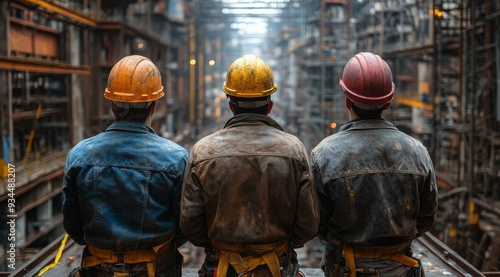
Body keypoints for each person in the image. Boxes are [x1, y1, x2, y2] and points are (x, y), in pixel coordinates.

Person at [180, 54, 320, 277]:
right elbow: (309, 224)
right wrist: (279, 245)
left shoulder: (203, 151)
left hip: (223, 268)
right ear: (270, 105)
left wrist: (218, 245)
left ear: (231, 106)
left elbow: (189, 223)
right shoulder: (294, 150)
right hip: (277, 268)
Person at [310, 52, 438, 277]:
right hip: (400, 268)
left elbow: (316, 222)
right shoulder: (417, 152)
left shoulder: (325, 154)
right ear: (388, 102)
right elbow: (426, 217)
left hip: (345, 269)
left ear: (347, 100)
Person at [62, 55, 189, 277]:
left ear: (111, 104)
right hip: (157, 268)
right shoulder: (176, 158)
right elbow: (185, 224)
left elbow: (72, 224)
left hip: (97, 269)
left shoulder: (79, 155)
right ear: (154, 106)